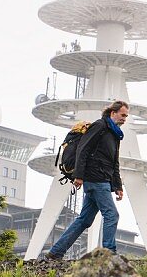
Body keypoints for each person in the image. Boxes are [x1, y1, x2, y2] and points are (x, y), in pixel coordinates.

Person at [46, 101, 129, 259]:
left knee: (85, 219)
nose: (125, 118)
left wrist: (117, 185)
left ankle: (56, 252)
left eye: (126, 116)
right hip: (96, 179)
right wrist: (79, 175)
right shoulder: (100, 126)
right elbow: (83, 149)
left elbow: (114, 162)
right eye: (123, 115)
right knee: (111, 215)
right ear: (113, 113)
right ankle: (109, 254)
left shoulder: (114, 134)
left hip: (101, 179)